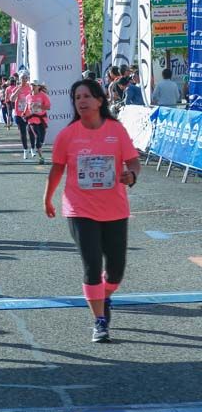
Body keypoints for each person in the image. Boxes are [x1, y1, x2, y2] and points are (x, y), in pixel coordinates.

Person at [44, 79, 140, 343]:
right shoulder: (68, 134)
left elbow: (132, 160)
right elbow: (57, 168)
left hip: (115, 208)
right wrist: (48, 198)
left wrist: (131, 175)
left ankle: (104, 295)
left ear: (100, 100)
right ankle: (99, 321)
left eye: (87, 96)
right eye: (77, 97)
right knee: (92, 265)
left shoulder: (116, 130)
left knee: (116, 270)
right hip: (79, 208)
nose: (82, 101)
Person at [23, 83, 52, 164]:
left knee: (41, 139)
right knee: (37, 136)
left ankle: (39, 147)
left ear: (38, 87)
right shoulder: (28, 96)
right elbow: (26, 106)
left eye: (35, 85)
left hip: (42, 119)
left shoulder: (43, 96)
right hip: (32, 119)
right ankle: (41, 157)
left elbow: (48, 107)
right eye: (32, 85)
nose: (33, 87)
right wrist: (24, 113)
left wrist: (39, 107)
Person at [10, 71, 34, 160]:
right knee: (23, 132)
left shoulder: (30, 88)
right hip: (19, 114)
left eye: (25, 78)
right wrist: (17, 91)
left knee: (31, 131)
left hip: (29, 113)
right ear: (19, 80)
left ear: (27, 79)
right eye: (22, 78)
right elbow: (12, 99)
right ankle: (25, 150)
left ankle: (32, 148)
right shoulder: (17, 88)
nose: (24, 80)